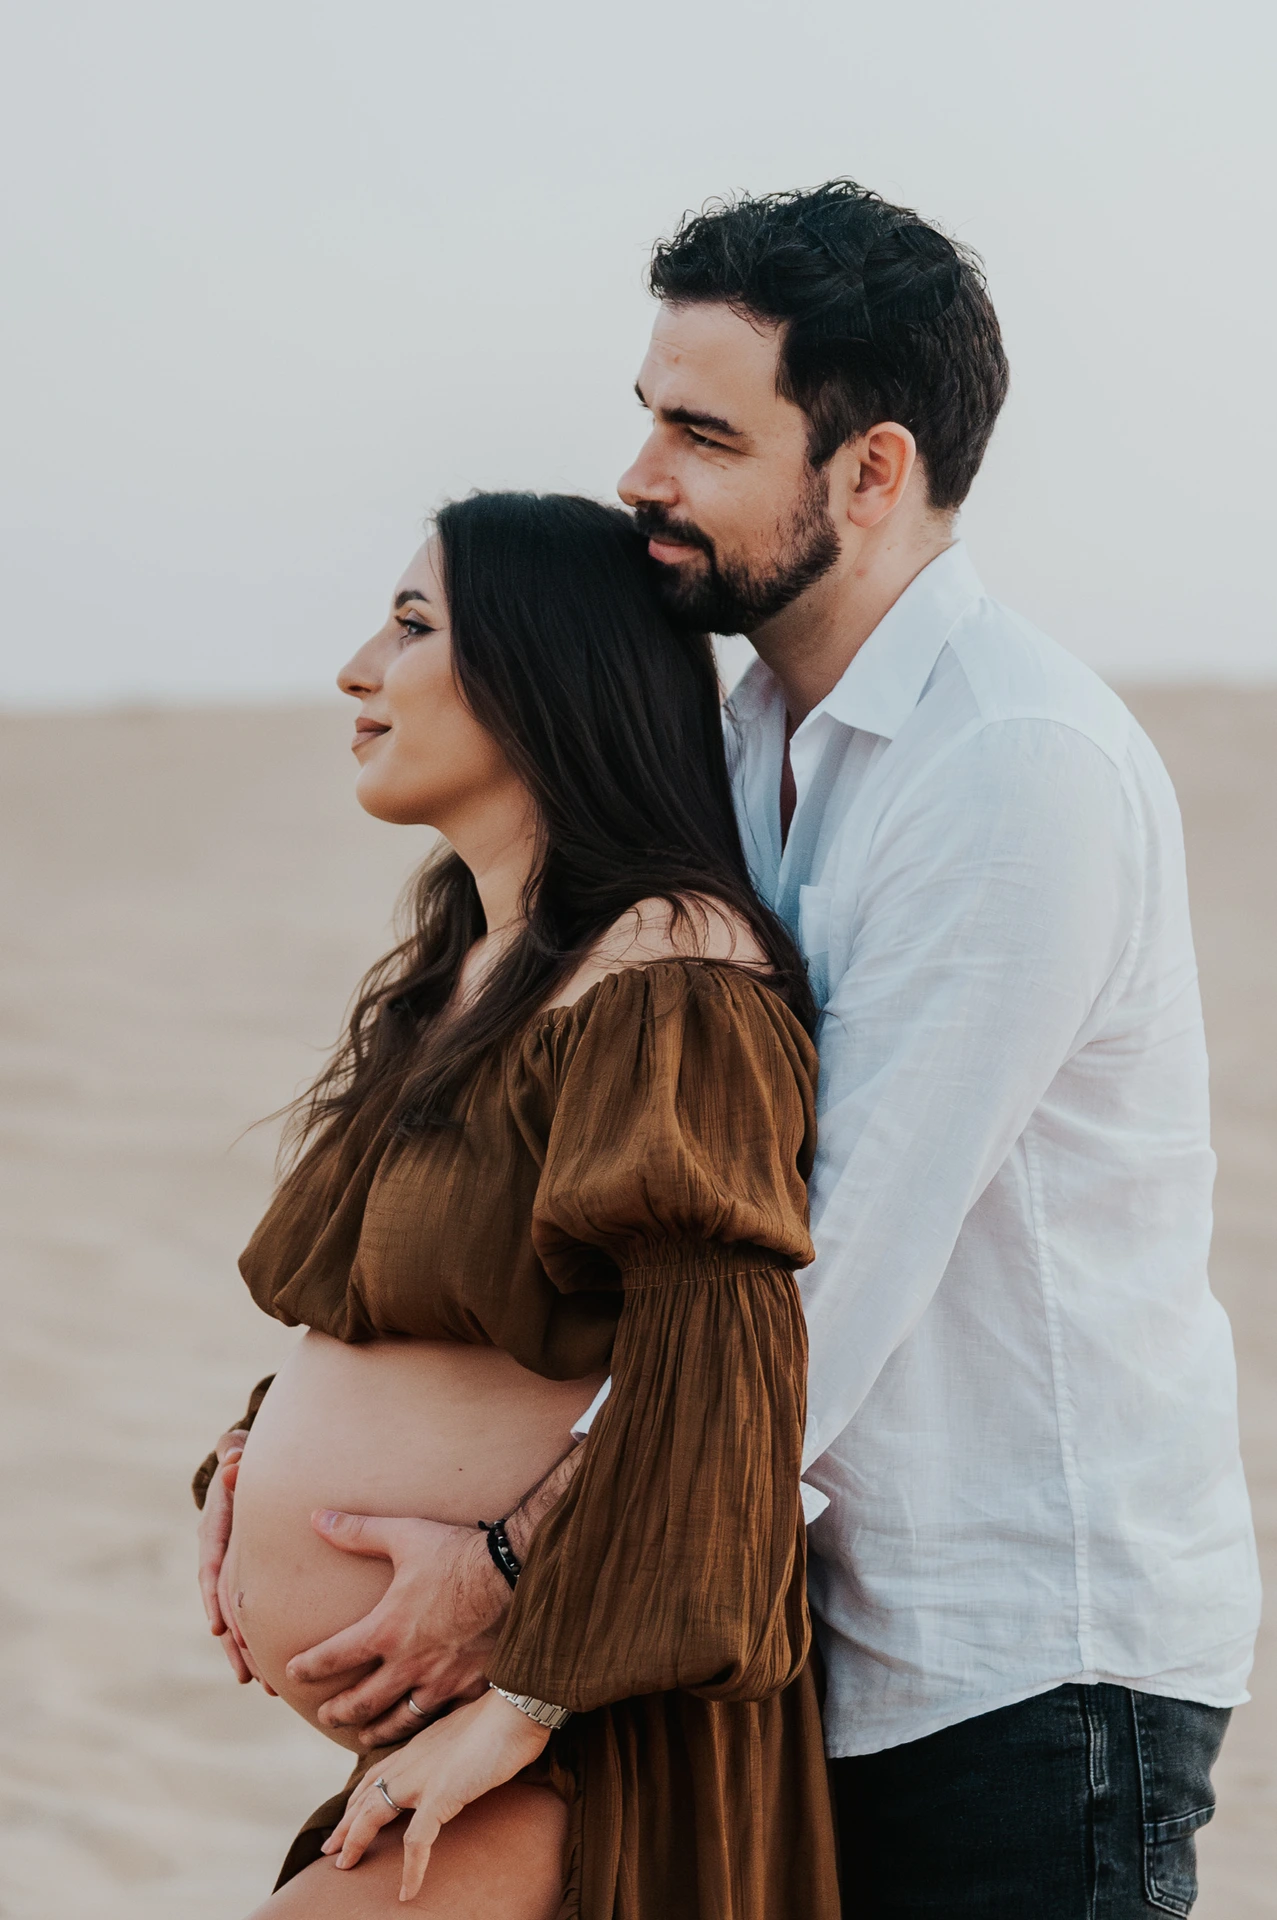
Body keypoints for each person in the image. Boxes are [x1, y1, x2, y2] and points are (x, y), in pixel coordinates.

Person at [201, 181, 1261, 1916]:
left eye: (704, 434)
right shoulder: (743, 732)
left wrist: (522, 1595)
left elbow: (828, 1271)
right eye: (646, 418)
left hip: (1013, 1662)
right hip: (780, 1634)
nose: (642, 479)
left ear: (870, 471)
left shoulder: (1010, 771)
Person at [194, 490, 840, 1918]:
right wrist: (250, 1468)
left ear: (547, 673)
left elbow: (719, 1374)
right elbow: (421, 1313)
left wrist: (527, 1700)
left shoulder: (669, 973)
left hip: (584, 1739)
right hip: (480, 1733)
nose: (358, 669)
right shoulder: (473, 969)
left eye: (415, 626)